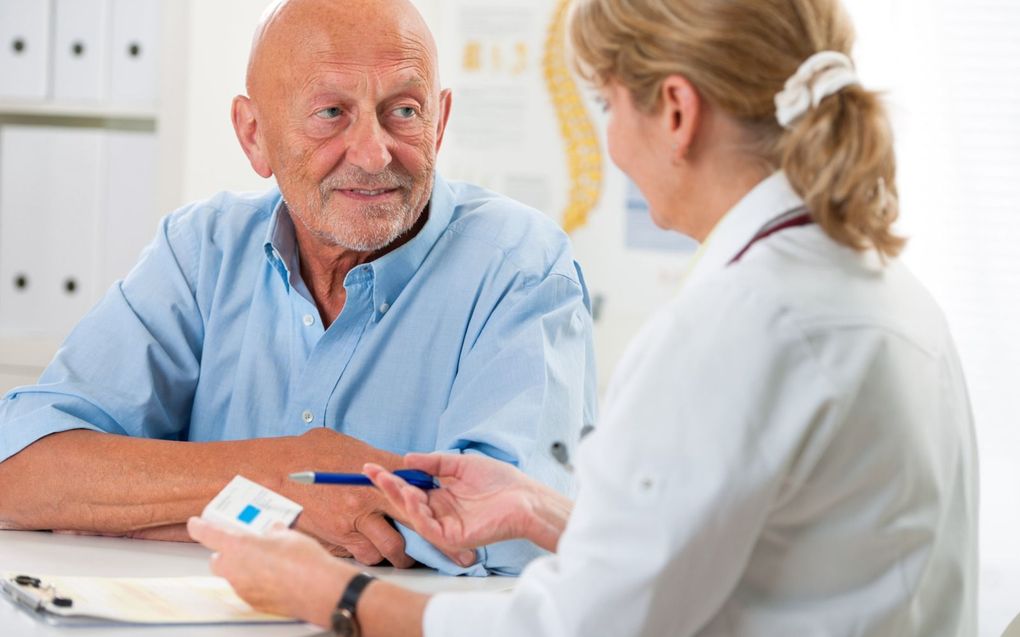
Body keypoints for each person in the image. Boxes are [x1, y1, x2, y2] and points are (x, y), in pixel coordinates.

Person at [187, 0, 979, 634]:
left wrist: (333, 592)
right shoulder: (873, 287)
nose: (610, 142)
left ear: (675, 111)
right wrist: (543, 511)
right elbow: (765, 557)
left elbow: (575, 624)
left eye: (607, 103)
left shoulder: (736, 328)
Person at [0, 0, 597, 576]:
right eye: (331, 113)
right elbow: (21, 470)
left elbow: (513, 531)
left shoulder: (521, 266)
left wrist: (158, 512)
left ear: (440, 123)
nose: (372, 152)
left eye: (405, 111)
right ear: (254, 134)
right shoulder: (202, 248)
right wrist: (284, 476)